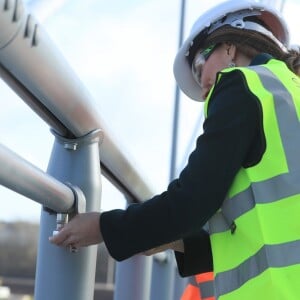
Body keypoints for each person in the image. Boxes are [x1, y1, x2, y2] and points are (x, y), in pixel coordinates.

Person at [50, 0, 300, 298]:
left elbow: (191, 202)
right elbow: (276, 228)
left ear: (228, 47)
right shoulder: (288, 92)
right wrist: (177, 241)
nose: (203, 86)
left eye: (199, 66)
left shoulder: (243, 86)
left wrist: (104, 227)